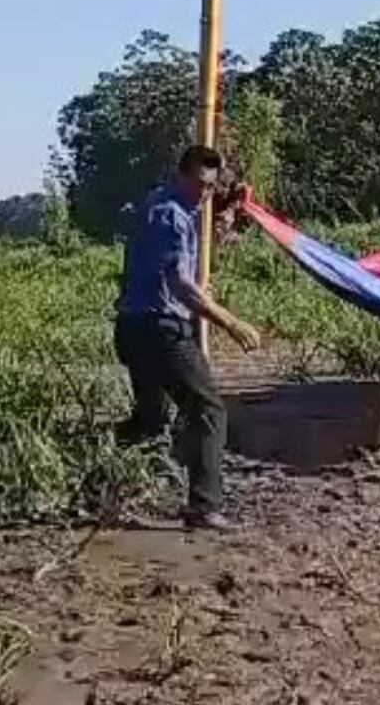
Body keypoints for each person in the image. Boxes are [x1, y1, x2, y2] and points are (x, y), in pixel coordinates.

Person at [113, 145, 264, 530]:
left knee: (150, 421)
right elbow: (180, 285)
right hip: (159, 329)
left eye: (211, 187)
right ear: (180, 175)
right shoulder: (170, 214)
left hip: (133, 327)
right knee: (208, 410)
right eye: (199, 184)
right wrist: (230, 322)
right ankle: (204, 507)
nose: (204, 193)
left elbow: (175, 266)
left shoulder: (165, 204)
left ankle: (95, 477)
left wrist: (228, 212)